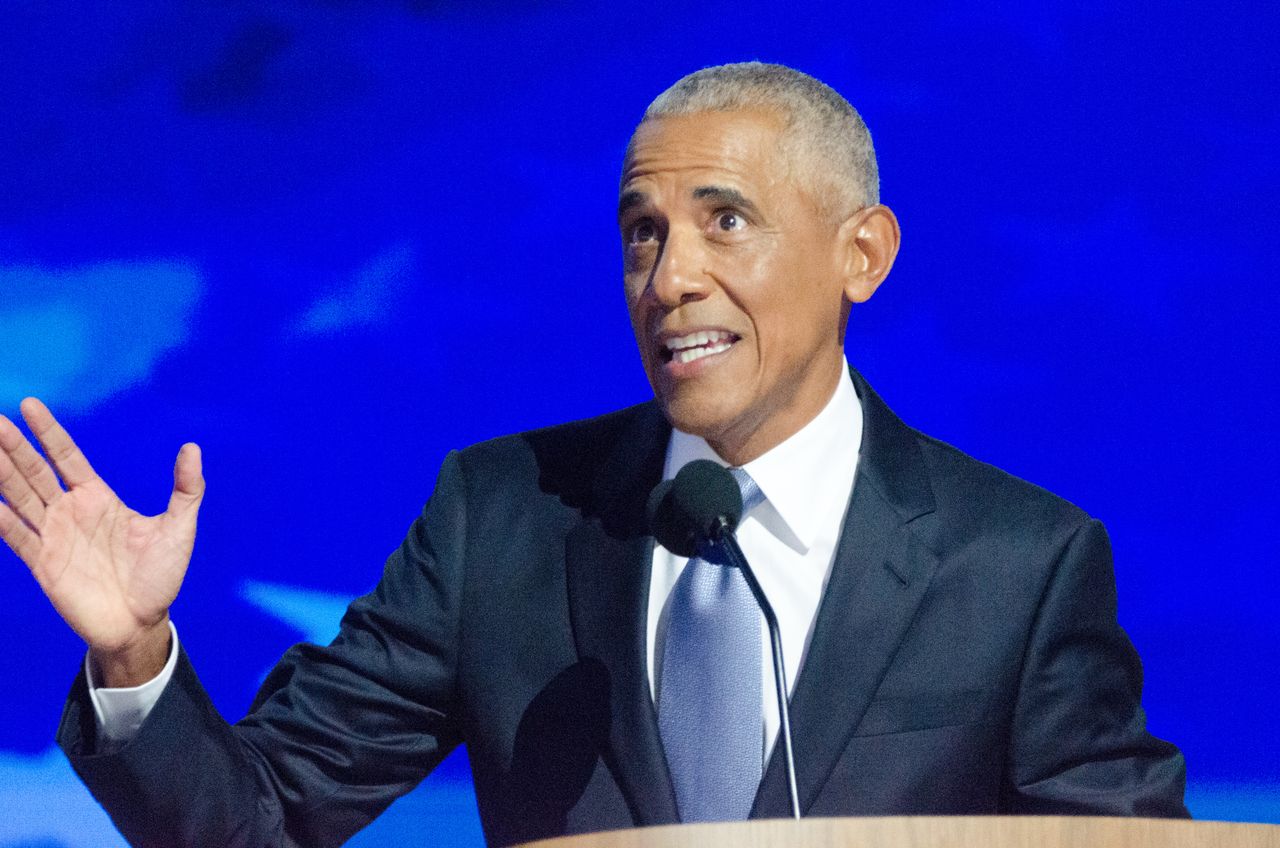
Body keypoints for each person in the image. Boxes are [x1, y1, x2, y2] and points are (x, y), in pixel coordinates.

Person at [0, 63, 1186, 848]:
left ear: (860, 254)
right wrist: (132, 650)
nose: (669, 278)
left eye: (724, 220)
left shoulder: (1016, 560)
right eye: (641, 232)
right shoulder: (499, 515)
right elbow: (255, 820)